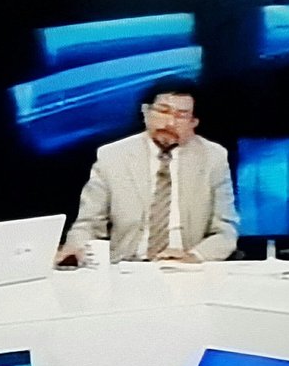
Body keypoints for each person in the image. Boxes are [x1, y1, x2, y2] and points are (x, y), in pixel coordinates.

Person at [58, 80, 239, 264]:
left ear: (194, 122)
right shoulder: (112, 156)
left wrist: (193, 257)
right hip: (126, 266)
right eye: (163, 111)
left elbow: (225, 230)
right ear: (145, 112)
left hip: (186, 268)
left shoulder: (213, 157)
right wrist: (74, 249)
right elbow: (88, 224)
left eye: (181, 115)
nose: (170, 123)